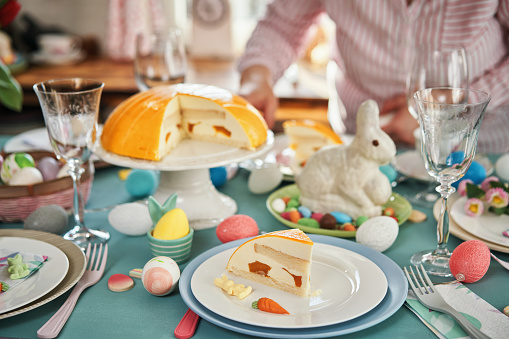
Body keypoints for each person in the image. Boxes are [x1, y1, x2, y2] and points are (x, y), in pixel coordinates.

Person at [238, 0, 509, 153]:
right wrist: (257, 77)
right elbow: (282, 25)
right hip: (360, 139)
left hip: (480, 148)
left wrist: (454, 106)